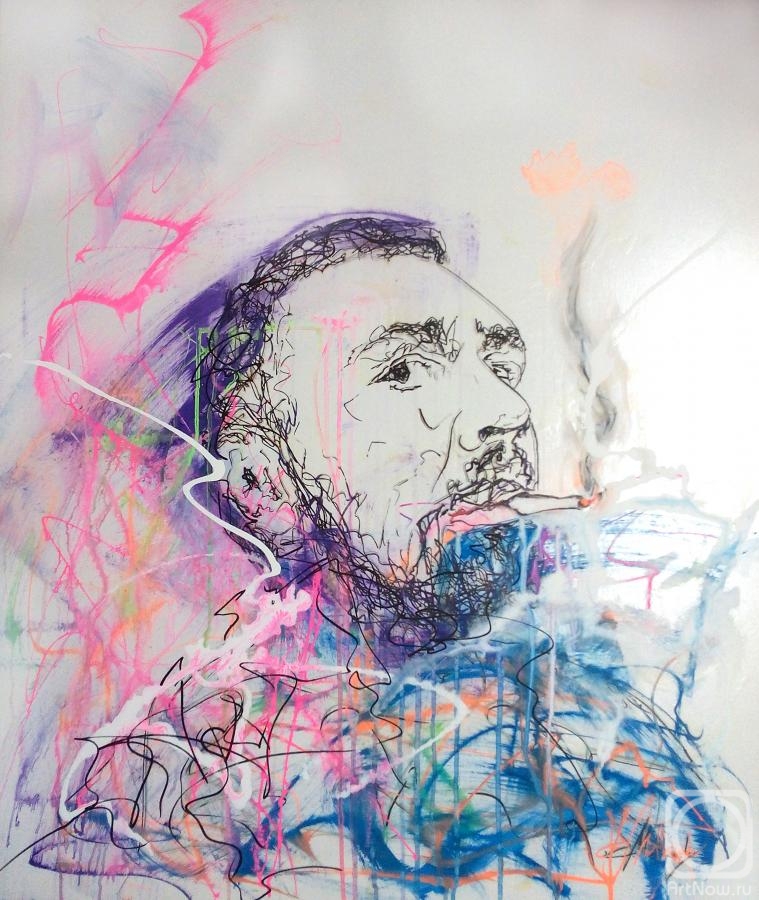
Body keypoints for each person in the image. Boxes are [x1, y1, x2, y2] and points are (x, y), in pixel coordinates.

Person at [31, 215, 727, 899]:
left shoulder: (610, 712)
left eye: (500, 366)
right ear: (263, 478)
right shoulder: (181, 788)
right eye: (402, 371)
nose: (506, 413)